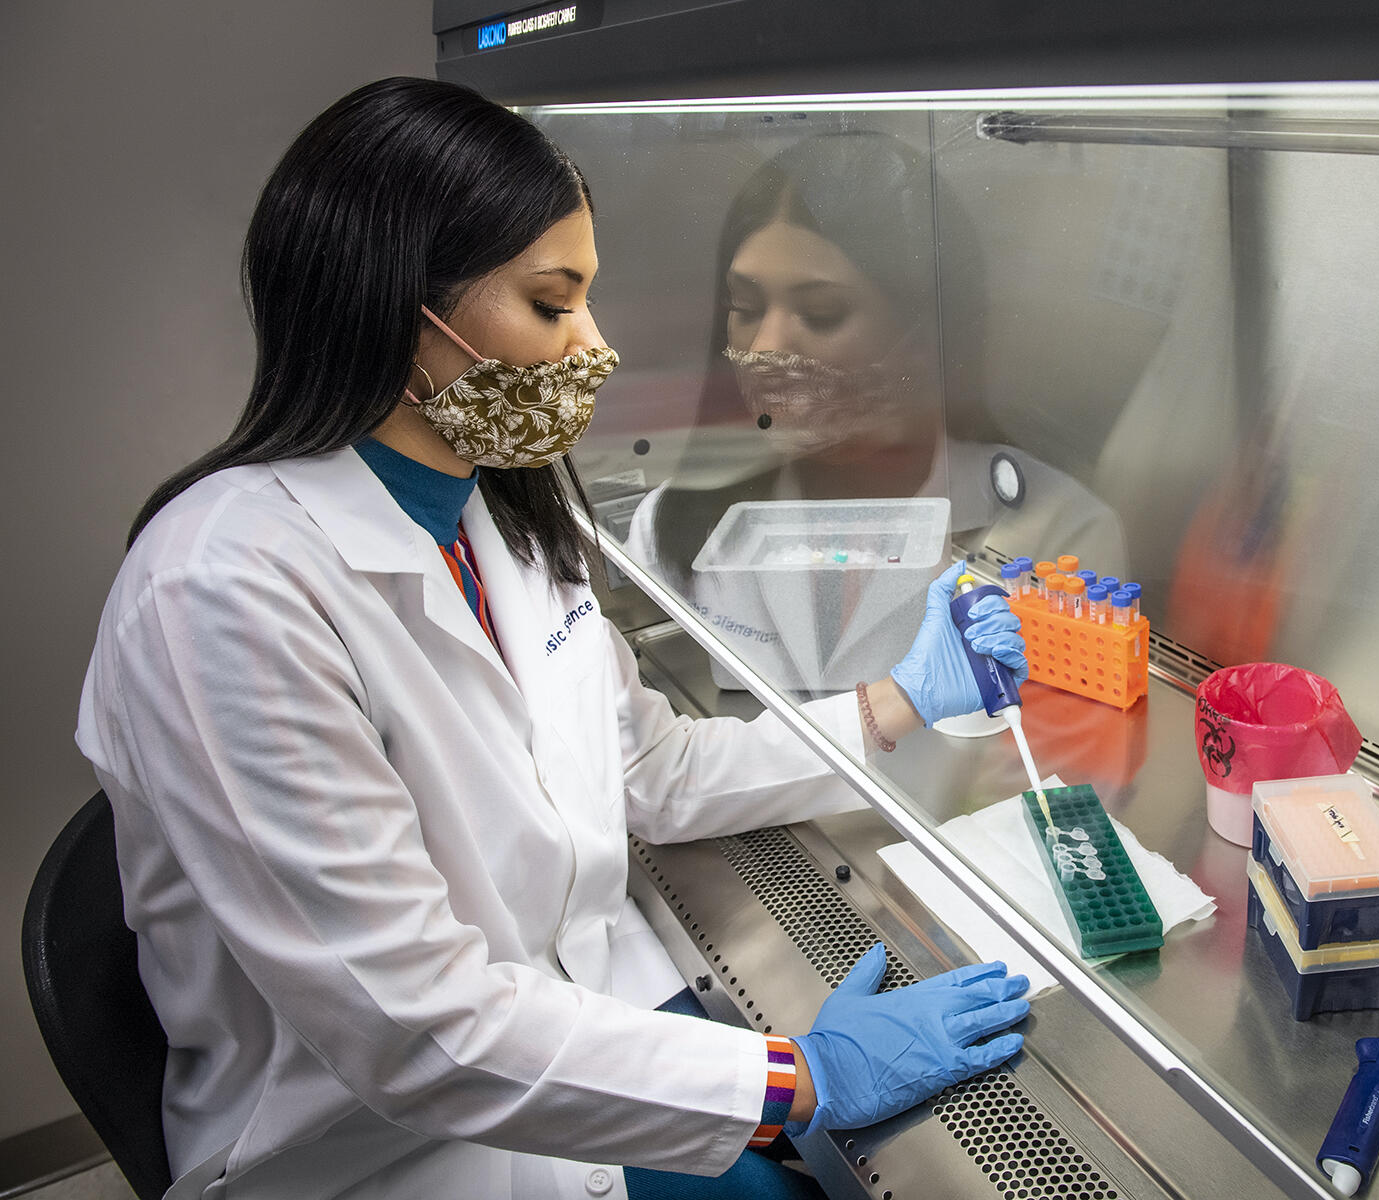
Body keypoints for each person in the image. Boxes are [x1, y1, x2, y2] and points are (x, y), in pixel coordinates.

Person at [74, 78, 1031, 1200]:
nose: (595, 346)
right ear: (400, 307)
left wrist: (898, 701)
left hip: (578, 1017)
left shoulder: (488, 512)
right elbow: (418, 1034)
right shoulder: (222, 594)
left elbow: (647, 769)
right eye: (550, 303)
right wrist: (798, 1082)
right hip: (391, 1150)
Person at [627, 132, 1128, 626]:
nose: (765, 347)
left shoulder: (1058, 535)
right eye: (747, 307)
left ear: (924, 339)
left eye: (822, 312)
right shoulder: (672, 525)